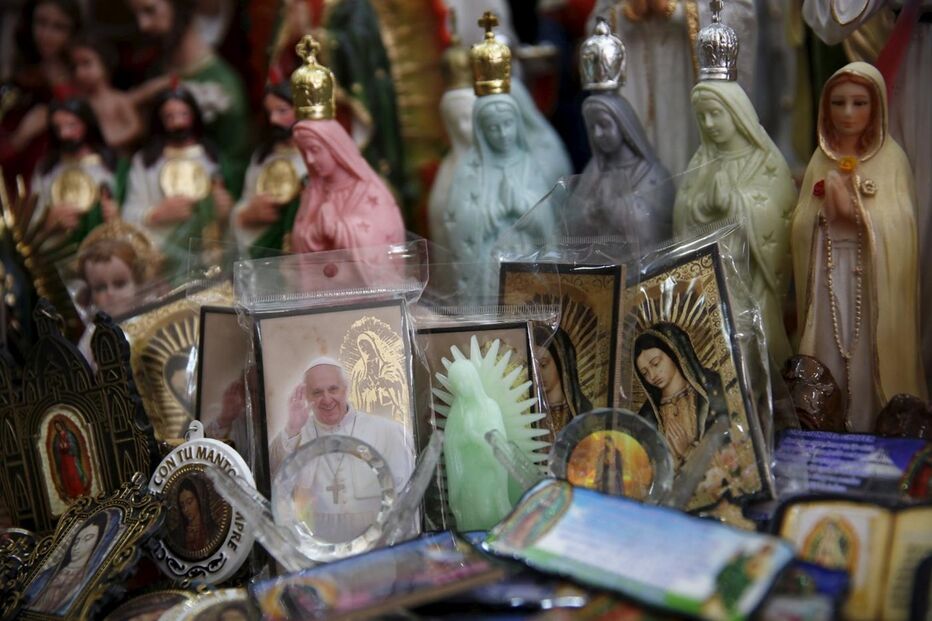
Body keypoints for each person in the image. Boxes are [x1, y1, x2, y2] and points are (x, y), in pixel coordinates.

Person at [791, 62, 926, 432]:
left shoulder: (893, 160)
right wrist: (822, 217)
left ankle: (869, 418)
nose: (848, 113)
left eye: (858, 103)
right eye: (838, 103)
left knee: (868, 355)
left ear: (876, 106)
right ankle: (829, 418)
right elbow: (800, 223)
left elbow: (904, 227)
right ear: (825, 108)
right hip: (829, 274)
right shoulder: (821, 158)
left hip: (871, 280)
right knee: (830, 349)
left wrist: (862, 216)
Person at [673, 79, 796, 366]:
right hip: (713, 277)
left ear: (736, 112)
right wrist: (701, 207)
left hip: (751, 274)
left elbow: (779, 208)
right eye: (702, 116)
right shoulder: (702, 161)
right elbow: (684, 212)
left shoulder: (765, 159)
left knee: (756, 347)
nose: (709, 122)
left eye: (716, 113)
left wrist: (736, 204)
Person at [268, 358, 414, 543]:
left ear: (346, 389)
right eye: (317, 392)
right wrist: (292, 428)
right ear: (307, 397)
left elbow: (407, 497)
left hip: (378, 543)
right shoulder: (296, 433)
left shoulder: (387, 432)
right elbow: (273, 474)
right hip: (322, 547)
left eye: (333, 389)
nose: (327, 399)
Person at [127, 0, 251, 190]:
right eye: (136, 15)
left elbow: (235, 165)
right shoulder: (154, 72)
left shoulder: (222, 83)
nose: (143, 25)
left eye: (150, 11)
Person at [122, 86, 234, 275]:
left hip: (207, 251)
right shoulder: (146, 162)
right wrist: (155, 214)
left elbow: (232, 205)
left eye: (183, 114)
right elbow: (128, 214)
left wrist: (223, 209)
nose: (178, 123)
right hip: (161, 252)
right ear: (160, 121)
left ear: (194, 116)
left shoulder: (211, 157)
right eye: (169, 117)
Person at [571, 91, 674, 247]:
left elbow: (657, 226)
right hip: (600, 262)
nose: (597, 134)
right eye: (592, 127)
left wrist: (614, 209)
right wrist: (588, 213)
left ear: (623, 125)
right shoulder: (593, 171)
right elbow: (572, 222)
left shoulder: (653, 174)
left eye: (604, 125)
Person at [1, 0, 82, 185]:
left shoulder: (85, 79)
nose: (46, 34)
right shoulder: (18, 83)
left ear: (73, 33)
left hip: (68, 183)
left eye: (58, 27)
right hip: (18, 187)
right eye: (41, 23)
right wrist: (21, 136)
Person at [29, 96, 122, 247]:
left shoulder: (110, 165)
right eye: (58, 128)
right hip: (57, 251)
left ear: (87, 124)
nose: (64, 134)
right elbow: (32, 217)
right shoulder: (47, 169)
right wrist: (47, 221)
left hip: (103, 247)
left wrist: (116, 215)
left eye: (72, 126)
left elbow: (128, 206)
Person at [633, 322, 728, 467]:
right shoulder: (647, 417)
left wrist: (688, 451)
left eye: (656, 363)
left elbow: (733, 445)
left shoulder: (712, 390)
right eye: (645, 373)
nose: (652, 375)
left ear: (674, 353)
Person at [231, 79, 306, 257]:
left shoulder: (318, 155)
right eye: (269, 113)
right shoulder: (263, 157)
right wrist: (247, 215)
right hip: (269, 248)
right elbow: (245, 201)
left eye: (282, 111)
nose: (274, 120)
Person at [69, 33, 143, 152]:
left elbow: (135, 127)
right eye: (75, 67)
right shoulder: (80, 103)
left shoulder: (119, 99)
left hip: (120, 157)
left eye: (86, 64)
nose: (79, 73)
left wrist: (113, 140)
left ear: (105, 64)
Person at [27, 511, 111, 614]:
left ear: (98, 541)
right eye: (76, 540)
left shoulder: (93, 577)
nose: (77, 546)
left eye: (87, 539)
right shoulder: (47, 575)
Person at [534, 326, 592, 438]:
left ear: (561, 363)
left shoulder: (585, 415)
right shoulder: (530, 414)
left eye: (543, 365)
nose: (538, 373)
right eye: (533, 366)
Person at [174, 477, 215, 554]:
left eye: (189, 502)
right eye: (182, 506)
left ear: (200, 500)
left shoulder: (214, 531)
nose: (185, 509)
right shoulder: (177, 535)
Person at [51, 419, 88, 499]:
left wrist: (68, 446)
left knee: (73, 474)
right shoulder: (57, 437)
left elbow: (74, 445)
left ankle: (79, 492)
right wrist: (59, 447)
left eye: (59, 426)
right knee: (66, 476)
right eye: (56, 427)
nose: (58, 427)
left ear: (62, 425)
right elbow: (56, 449)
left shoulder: (69, 434)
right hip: (63, 460)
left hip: (70, 457)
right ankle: (71, 494)